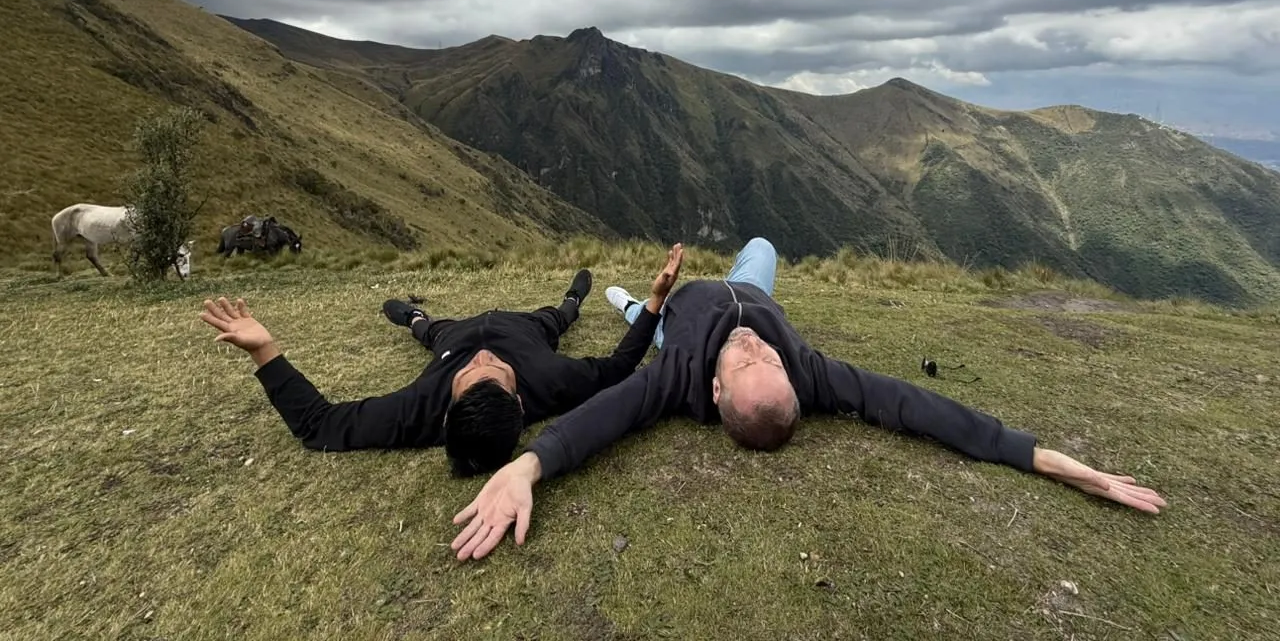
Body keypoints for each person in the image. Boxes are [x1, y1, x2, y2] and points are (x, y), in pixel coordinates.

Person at [450, 239, 1167, 560]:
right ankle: (655, 294)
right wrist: (1046, 459)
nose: (755, 348)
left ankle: (637, 301)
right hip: (748, 284)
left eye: (748, 358)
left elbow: (602, 418)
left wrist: (525, 468)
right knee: (762, 242)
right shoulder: (808, 371)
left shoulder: (676, 380)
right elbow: (915, 405)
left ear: (714, 390)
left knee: (641, 316)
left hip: (678, 320)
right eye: (766, 358)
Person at [199, 266, 667, 476]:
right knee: (559, 318)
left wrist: (265, 351)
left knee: (428, 330)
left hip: (451, 336)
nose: (483, 360)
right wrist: (654, 302)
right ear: (519, 399)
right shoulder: (554, 381)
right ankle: (573, 298)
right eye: (495, 372)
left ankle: (411, 316)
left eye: (473, 375)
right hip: (526, 328)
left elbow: (318, 425)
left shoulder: (424, 409)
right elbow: (622, 365)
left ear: (449, 408)